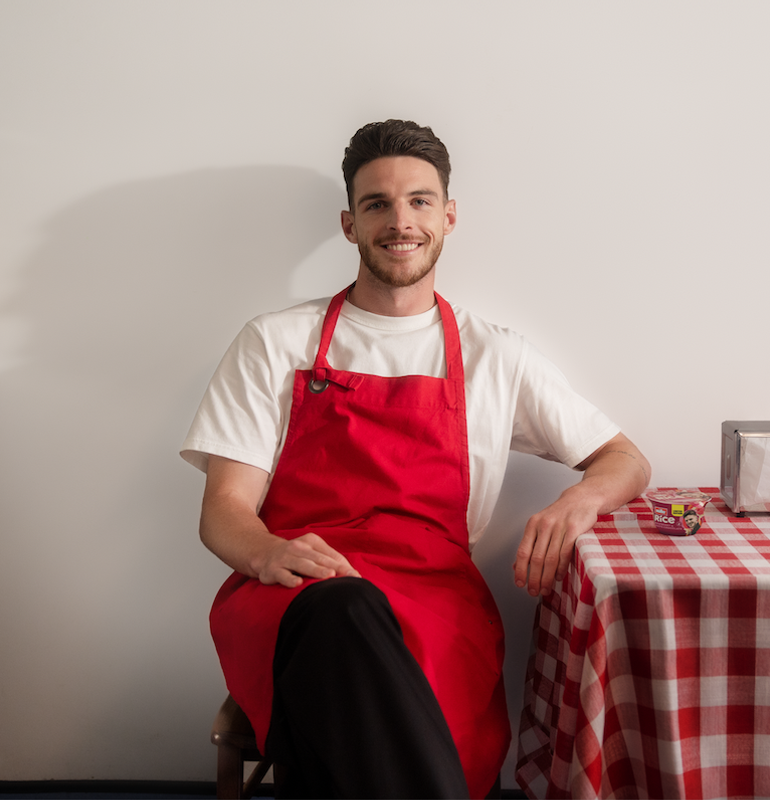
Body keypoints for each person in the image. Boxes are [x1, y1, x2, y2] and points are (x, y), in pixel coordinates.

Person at [181, 119, 651, 799]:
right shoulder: (275, 342)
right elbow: (223, 511)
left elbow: (625, 459)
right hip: (300, 595)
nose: (400, 221)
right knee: (343, 614)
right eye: (377, 204)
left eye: (419, 201)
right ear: (350, 224)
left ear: (449, 216)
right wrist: (262, 554)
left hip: (435, 604)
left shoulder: (495, 356)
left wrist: (576, 501)